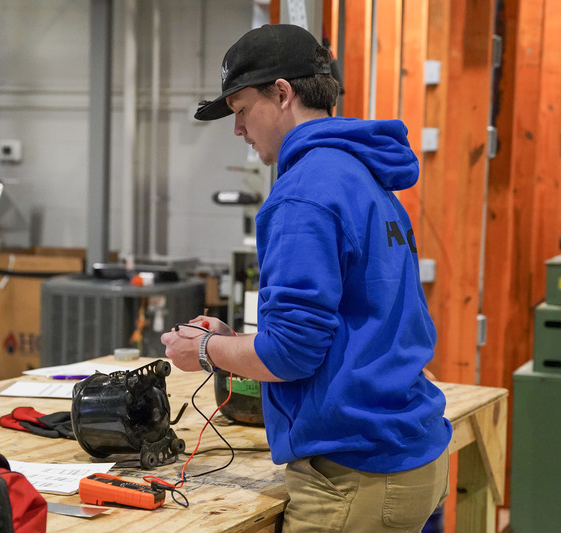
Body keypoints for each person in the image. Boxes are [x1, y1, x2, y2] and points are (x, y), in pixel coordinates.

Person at [160, 24, 451, 532]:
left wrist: (204, 352)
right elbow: (350, 323)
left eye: (241, 109)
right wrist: (235, 343)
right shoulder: (363, 176)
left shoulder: (303, 194)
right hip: (411, 452)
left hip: (353, 476)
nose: (238, 130)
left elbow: (291, 355)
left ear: (281, 93)